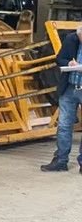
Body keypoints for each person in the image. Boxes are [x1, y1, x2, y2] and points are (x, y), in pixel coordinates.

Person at [41, 23, 82, 172]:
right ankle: (61, 160)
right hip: (69, 88)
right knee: (64, 125)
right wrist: (69, 63)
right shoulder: (72, 39)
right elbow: (60, 59)